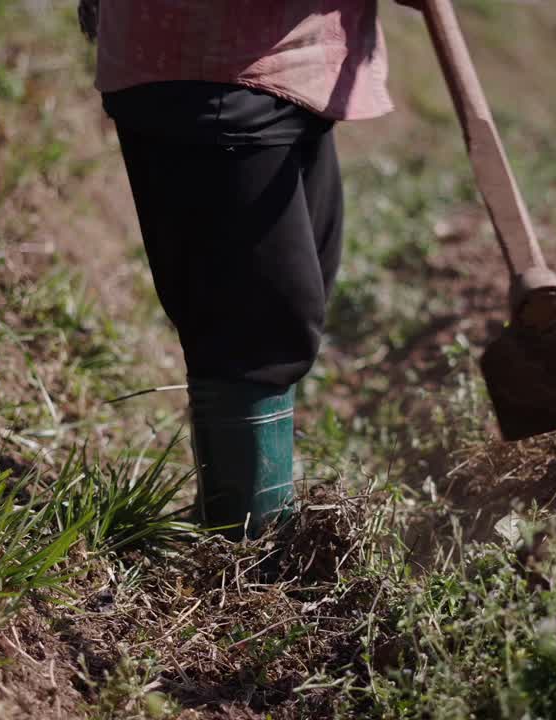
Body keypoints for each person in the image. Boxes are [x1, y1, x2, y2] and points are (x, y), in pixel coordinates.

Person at [83, 1, 420, 539]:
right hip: (207, 63)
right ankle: (244, 550)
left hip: (295, 62)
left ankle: (253, 521)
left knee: (290, 303)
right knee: (254, 329)